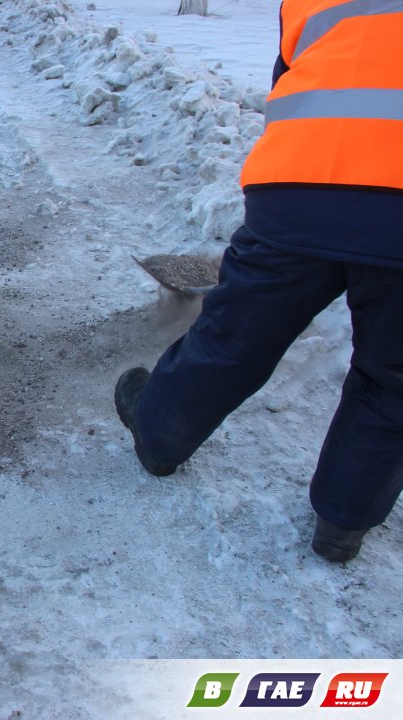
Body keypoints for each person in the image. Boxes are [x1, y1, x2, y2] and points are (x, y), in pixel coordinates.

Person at [114, 0, 403, 562]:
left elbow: (292, 78)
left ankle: (159, 438)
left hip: (300, 185)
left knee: (235, 336)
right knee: (394, 378)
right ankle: (342, 524)